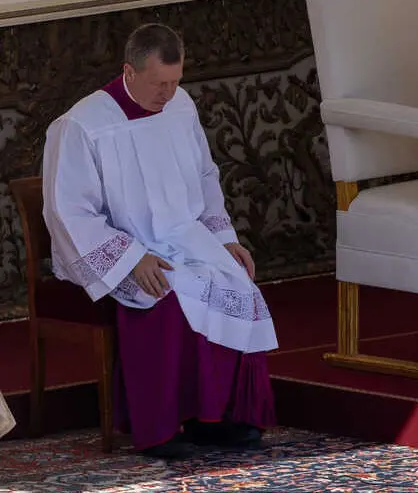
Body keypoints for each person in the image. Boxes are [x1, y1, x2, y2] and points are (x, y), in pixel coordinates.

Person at [42, 23, 276, 459]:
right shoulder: (81, 126)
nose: (166, 94)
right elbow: (68, 211)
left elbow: (205, 177)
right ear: (128, 71)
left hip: (183, 237)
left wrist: (224, 239)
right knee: (166, 294)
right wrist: (131, 259)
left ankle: (221, 419)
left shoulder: (180, 107)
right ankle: (161, 428)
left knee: (237, 281)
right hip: (121, 247)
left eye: (174, 82)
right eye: (158, 84)